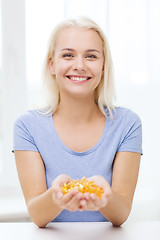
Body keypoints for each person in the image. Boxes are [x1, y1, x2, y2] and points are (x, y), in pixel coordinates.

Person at [13, 17, 143, 228]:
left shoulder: (127, 124)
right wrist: (56, 197)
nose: (80, 65)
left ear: (103, 67)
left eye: (91, 56)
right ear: (52, 65)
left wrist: (105, 197)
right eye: (68, 55)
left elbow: (121, 215)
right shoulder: (27, 126)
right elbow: (37, 215)